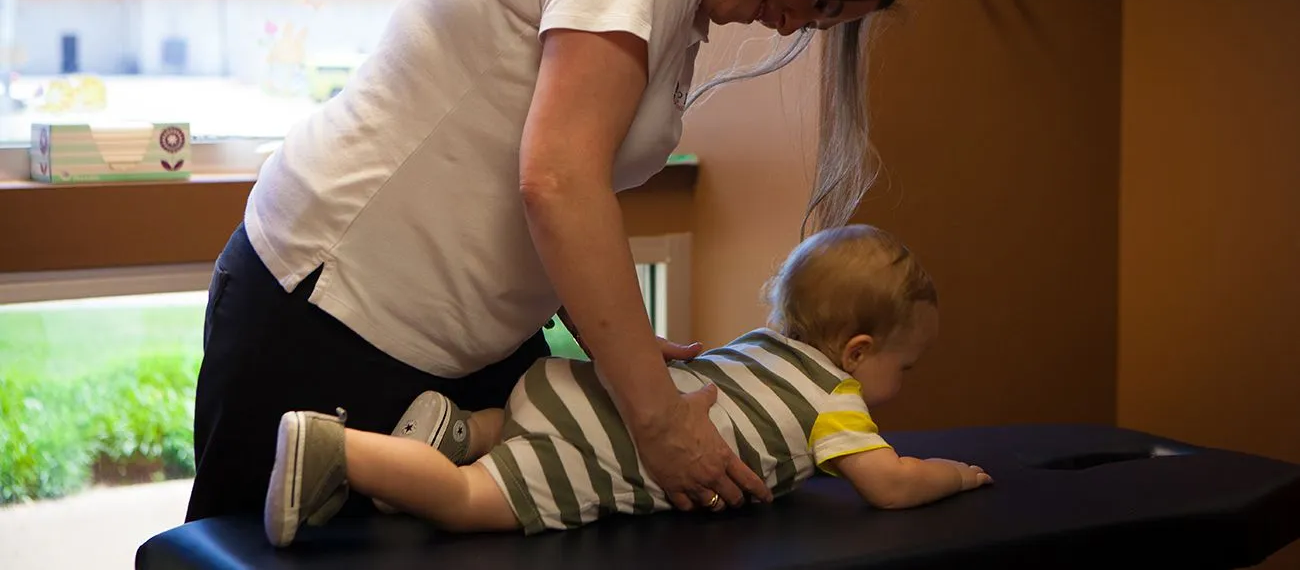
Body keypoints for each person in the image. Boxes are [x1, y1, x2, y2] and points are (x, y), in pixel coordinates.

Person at [188, 0, 919, 523]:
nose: (799, 27)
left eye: (825, 24)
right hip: (333, 309)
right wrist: (655, 416)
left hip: (471, 347)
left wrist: (620, 342)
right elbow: (559, 181)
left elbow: (546, 171)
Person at [263, 225, 991, 545]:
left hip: (568, 388)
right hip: (607, 449)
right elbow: (889, 483)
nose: (903, 382)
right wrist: (954, 476)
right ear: (859, 351)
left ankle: (464, 429)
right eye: (905, 366)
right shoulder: (836, 400)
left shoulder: (761, 343)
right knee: (464, 502)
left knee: (503, 430)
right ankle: (336, 449)